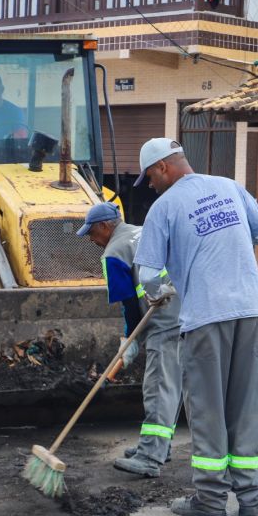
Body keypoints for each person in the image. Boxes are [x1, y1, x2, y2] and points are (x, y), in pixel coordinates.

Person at [132, 138, 258, 516]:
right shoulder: (231, 187)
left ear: (162, 168)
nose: (150, 186)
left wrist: (161, 290)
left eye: (149, 177)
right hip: (250, 312)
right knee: (246, 406)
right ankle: (251, 499)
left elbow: (147, 274)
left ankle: (211, 501)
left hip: (204, 319)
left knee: (208, 409)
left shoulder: (163, 207)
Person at [76, 202, 182, 478]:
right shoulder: (143, 231)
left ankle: (150, 456)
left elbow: (128, 303)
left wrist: (128, 339)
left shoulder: (114, 252)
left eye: (92, 233)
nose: (91, 239)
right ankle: (160, 446)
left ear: (105, 226)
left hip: (163, 320)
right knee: (171, 385)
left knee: (158, 387)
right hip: (186, 311)